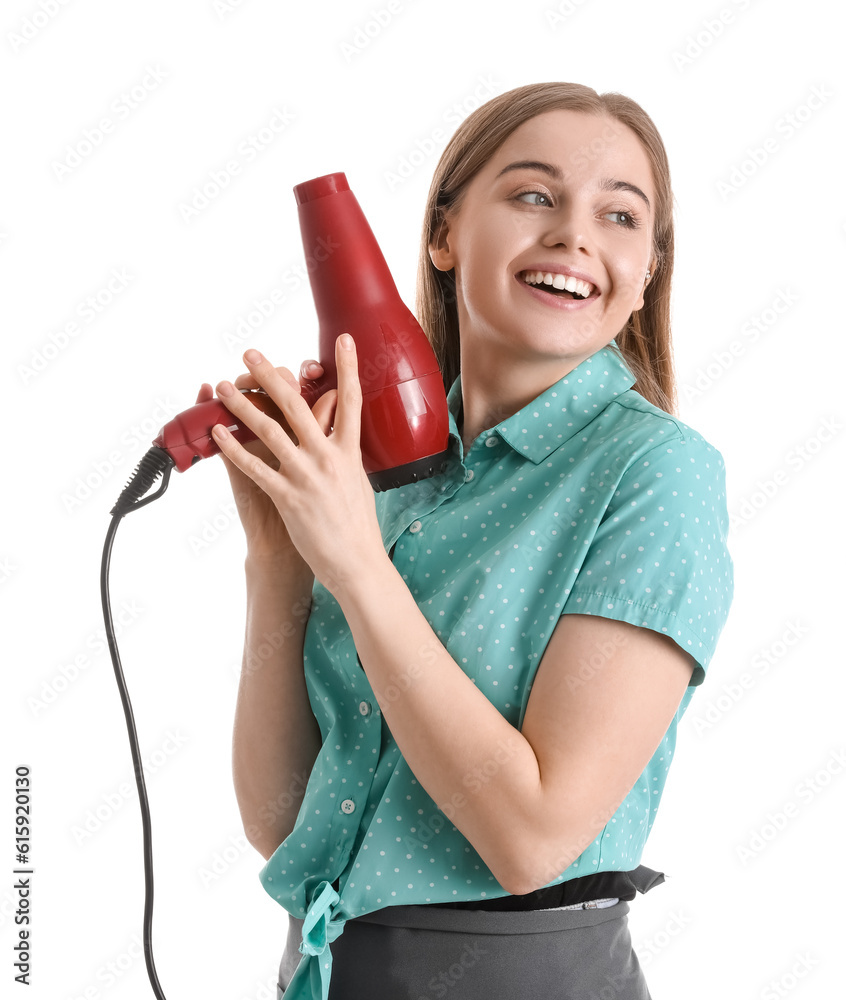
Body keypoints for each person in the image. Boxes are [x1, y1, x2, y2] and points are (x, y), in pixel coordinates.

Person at [199, 82, 734, 999]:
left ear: (645, 271)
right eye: (535, 195)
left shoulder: (656, 476)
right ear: (444, 234)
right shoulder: (381, 472)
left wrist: (357, 564)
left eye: (619, 215)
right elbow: (284, 822)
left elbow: (532, 840)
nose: (574, 235)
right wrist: (281, 560)